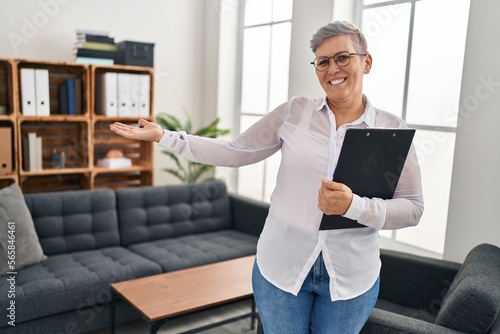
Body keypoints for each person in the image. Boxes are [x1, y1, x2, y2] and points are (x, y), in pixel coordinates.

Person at [109, 21, 424, 334]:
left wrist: (353, 206)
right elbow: (236, 151)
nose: (332, 69)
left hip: (351, 278)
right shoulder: (295, 112)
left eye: (343, 57)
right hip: (281, 268)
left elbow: (412, 208)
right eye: (323, 62)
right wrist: (165, 136)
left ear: (366, 61)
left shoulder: (390, 129)